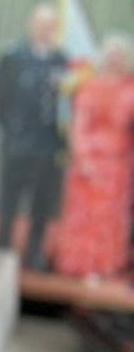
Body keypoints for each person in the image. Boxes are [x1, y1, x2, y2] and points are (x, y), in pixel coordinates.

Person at [0, 0, 74, 263]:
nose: (45, 29)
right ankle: (1, 249)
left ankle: (34, 252)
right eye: (41, 24)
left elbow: (69, 104)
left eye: (51, 25)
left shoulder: (63, 60)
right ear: (31, 25)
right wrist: (12, 129)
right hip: (18, 144)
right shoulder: (12, 57)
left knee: (42, 204)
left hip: (48, 146)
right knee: (10, 201)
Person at [50, 32, 134, 290]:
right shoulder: (89, 85)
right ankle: (82, 265)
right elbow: (79, 126)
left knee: (112, 217)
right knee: (87, 216)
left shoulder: (131, 87)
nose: (115, 60)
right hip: (90, 164)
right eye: (111, 55)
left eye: (120, 56)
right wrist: (83, 158)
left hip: (120, 164)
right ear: (103, 57)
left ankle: (105, 266)